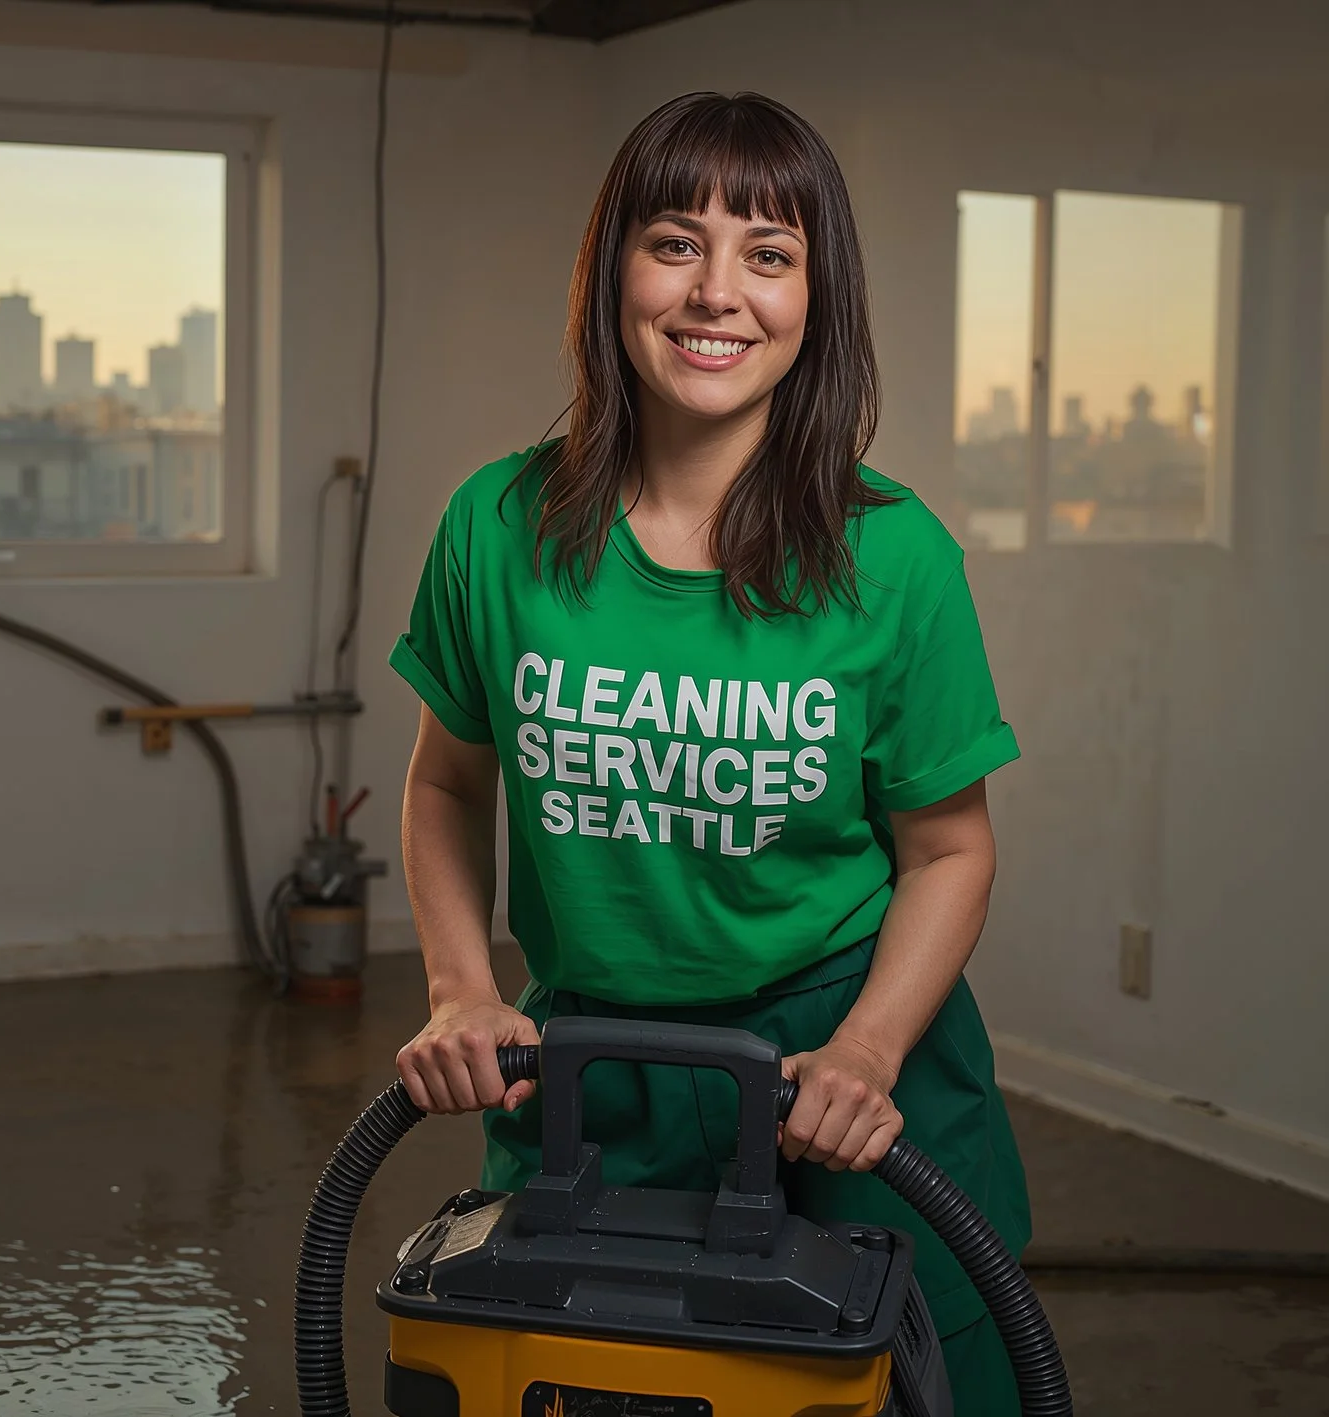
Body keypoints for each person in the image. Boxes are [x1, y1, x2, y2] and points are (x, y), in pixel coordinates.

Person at [388, 91, 1029, 1416]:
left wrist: (867, 1053)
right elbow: (446, 781)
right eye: (676, 243)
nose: (716, 294)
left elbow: (950, 850)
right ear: (612, 268)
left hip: (836, 1061)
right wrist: (460, 990)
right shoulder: (496, 527)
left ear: (816, 297)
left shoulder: (894, 556)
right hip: (593, 1068)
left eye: (769, 255)